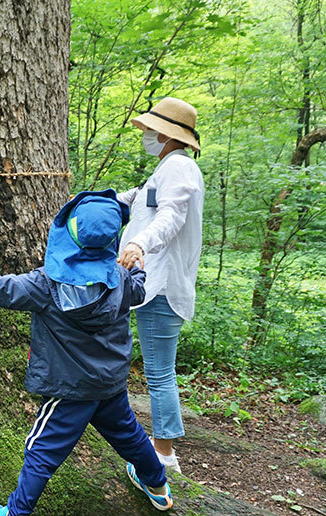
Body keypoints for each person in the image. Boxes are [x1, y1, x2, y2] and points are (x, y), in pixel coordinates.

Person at [0, 190, 173, 516]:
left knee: (41, 451)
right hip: (110, 386)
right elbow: (139, 287)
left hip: (69, 392)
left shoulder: (45, 286)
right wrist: (139, 260)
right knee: (130, 436)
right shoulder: (121, 279)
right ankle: (158, 487)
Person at [116, 97, 205, 474]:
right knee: (157, 370)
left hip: (162, 287)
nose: (147, 135)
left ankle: (164, 454)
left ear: (167, 134)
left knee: (158, 373)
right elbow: (140, 200)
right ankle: (161, 448)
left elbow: (170, 215)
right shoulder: (166, 169)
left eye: (151, 130)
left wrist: (139, 244)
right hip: (154, 285)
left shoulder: (179, 168)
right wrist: (91, 203)